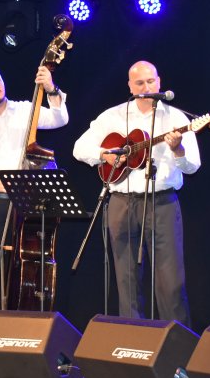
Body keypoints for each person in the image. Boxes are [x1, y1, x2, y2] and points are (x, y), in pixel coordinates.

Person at [73, 60, 200, 326]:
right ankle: (132, 341)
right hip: (121, 202)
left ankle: (178, 342)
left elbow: (192, 166)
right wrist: (105, 155)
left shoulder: (176, 118)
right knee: (126, 280)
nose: (146, 87)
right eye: (139, 83)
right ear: (130, 86)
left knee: (171, 282)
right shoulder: (113, 116)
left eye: (150, 81)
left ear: (159, 82)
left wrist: (177, 149)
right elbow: (79, 148)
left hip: (162, 203)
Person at [0, 63, 67, 309]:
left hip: (26, 204)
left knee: (27, 268)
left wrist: (51, 89)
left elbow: (61, 119)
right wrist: (3, 185)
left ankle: (25, 319)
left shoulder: (24, 110)